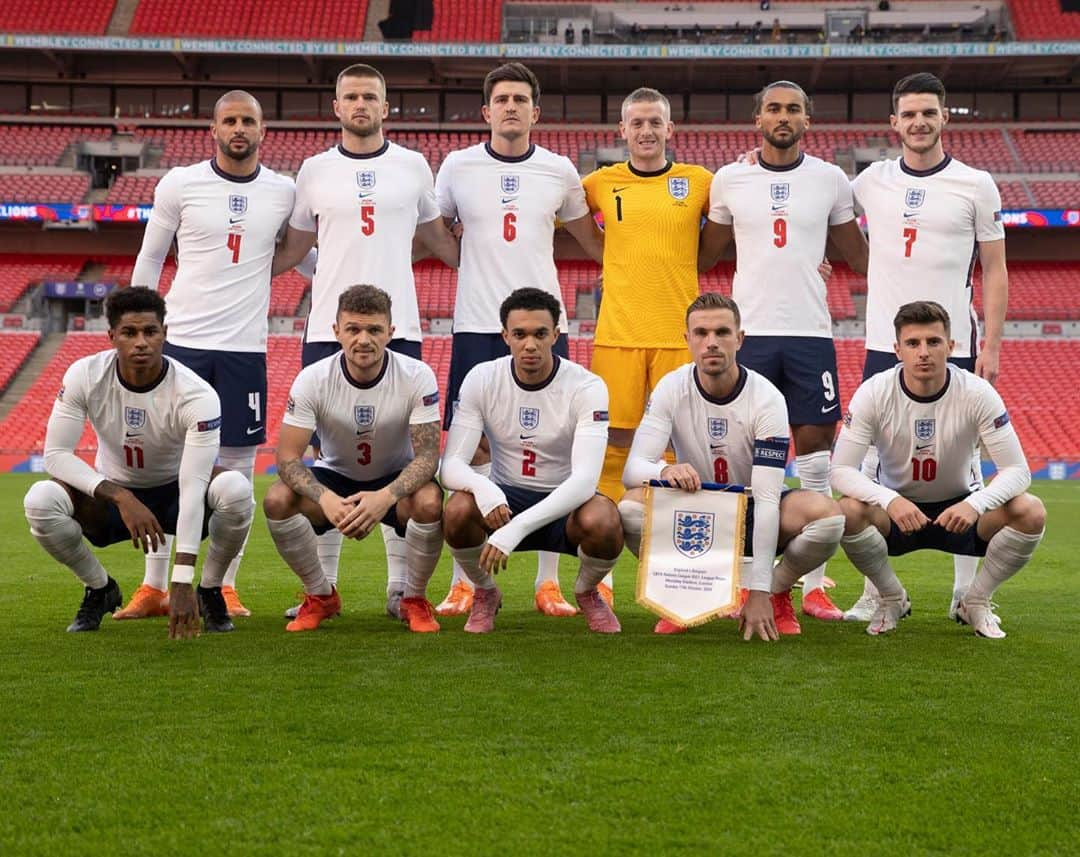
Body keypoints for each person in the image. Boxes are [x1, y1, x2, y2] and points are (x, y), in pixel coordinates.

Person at [272, 63, 459, 618]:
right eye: (350, 96)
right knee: (319, 455)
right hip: (327, 327)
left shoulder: (413, 166)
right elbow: (296, 247)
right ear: (336, 106)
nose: (360, 104)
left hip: (399, 329)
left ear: (386, 106)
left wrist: (488, 259)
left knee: (399, 455)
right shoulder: (313, 170)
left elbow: (433, 239)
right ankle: (322, 586)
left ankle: (402, 589)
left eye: (370, 96)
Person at [433, 62, 605, 619]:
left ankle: (548, 581)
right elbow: (437, 230)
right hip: (476, 323)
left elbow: (595, 240)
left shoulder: (558, 170)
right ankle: (469, 580)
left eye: (520, 99)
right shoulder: (457, 166)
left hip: (542, 326)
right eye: (501, 99)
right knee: (476, 452)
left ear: (536, 111)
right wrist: (467, 263)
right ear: (486, 111)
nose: (511, 107)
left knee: (552, 446)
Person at [698, 80, 869, 624]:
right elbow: (702, 253)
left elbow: (860, 256)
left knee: (816, 455)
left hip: (810, 333)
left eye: (793, 108)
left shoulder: (830, 179)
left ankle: (811, 587)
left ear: (807, 120)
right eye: (774, 108)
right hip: (748, 333)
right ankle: (735, 582)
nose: (783, 116)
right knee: (743, 461)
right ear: (757, 118)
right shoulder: (730, 178)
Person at [126, 90, 295, 619]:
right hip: (180, 344)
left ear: (263, 130)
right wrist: (135, 328)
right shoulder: (181, 182)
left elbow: (309, 253)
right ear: (213, 129)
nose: (239, 128)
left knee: (238, 471)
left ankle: (221, 584)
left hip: (244, 349)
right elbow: (152, 255)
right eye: (230, 120)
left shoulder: (284, 191)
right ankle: (155, 585)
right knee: (168, 466)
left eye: (248, 120)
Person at [846, 72, 1009, 622]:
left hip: (956, 343)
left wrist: (994, 344)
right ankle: (875, 590)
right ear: (894, 123)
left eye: (928, 113)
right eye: (908, 114)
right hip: (881, 343)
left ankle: (966, 597)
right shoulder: (870, 181)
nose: (919, 122)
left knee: (969, 463)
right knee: (870, 464)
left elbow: (995, 266)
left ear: (944, 117)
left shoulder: (976, 184)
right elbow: (816, 206)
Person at [23, 287, 253, 638]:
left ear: (165, 334)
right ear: (112, 336)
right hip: (114, 495)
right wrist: (121, 496)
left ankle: (209, 591)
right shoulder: (84, 375)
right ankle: (100, 588)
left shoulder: (196, 393)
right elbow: (55, 455)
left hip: (176, 492)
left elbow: (193, 486)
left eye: (150, 332)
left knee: (236, 490)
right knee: (39, 502)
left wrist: (181, 580)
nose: (141, 342)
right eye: (129, 333)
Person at [620, 293, 845, 637]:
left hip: (755, 504)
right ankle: (688, 592)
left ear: (739, 339)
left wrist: (758, 591)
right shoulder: (671, 387)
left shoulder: (766, 397)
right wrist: (664, 471)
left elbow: (769, 499)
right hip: (696, 509)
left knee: (827, 517)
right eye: (701, 333)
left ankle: (775, 591)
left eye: (722, 332)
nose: (711, 343)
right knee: (629, 509)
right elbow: (633, 469)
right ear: (688, 340)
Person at [831, 301, 1044, 638]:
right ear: (897, 350)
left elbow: (1018, 471)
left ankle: (975, 600)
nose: (924, 352)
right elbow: (840, 471)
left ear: (951, 346)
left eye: (933, 342)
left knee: (1030, 511)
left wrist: (975, 504)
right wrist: (889, 500)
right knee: (847, 510)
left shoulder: (977, 393)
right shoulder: (874, 393)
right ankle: (891, 598)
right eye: (913, 344)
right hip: (898, 512)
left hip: (961, 510)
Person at [440, 288, 623, 634]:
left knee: (605, 519)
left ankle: (586, 592)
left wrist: (517, 529)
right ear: (505, 336)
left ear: (555, 334)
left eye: (540, 334)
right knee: (458, 510)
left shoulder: (587, 387)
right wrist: (484, 488)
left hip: (565, 504)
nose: (530, 345)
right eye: (520, 334)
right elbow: (451, 467)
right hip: (506, 500)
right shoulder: (482, 378)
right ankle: (485, 592)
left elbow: (585, 481)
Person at [263, 285, 444, 633]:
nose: (364, 339)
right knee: (277, 499)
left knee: (430, 501)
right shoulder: (313, 379)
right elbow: (287, 457)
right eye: (353, 329)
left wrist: (386, 497)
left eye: (374, 329)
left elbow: (427, 457)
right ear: (336, 332)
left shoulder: (416, 375)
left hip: (394, 477)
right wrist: (325, 498)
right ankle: (320, 595)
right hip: (336, 478)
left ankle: (414, 599)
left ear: (391, 332)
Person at [582, 87, 712, 512]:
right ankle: (605, 539)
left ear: (670, 129)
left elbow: (747, 214)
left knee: (680, 442)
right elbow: (548, 208)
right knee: (614, 437)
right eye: (637, 122)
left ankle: (672, 541)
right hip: (619, 333)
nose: (646, 130)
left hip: (678, 336)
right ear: (623, 129)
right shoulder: (602, 182)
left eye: (655, 122)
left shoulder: (699, 182)